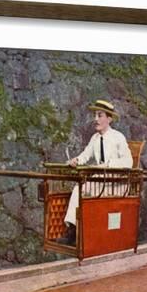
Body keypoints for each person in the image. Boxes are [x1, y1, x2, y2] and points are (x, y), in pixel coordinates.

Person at [56, 99, 133, 245]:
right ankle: (73, 231)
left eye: (100, 115)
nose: (95, 119)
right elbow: (85, 155)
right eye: (95, 116)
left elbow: (128, 162)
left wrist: (109, 165)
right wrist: (75, 161)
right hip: (101, 181)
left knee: (85, 190)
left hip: (117, 183)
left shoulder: (118, 137)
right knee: (79, 189)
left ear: (109, 119)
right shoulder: (95, 138)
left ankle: (84, 233)